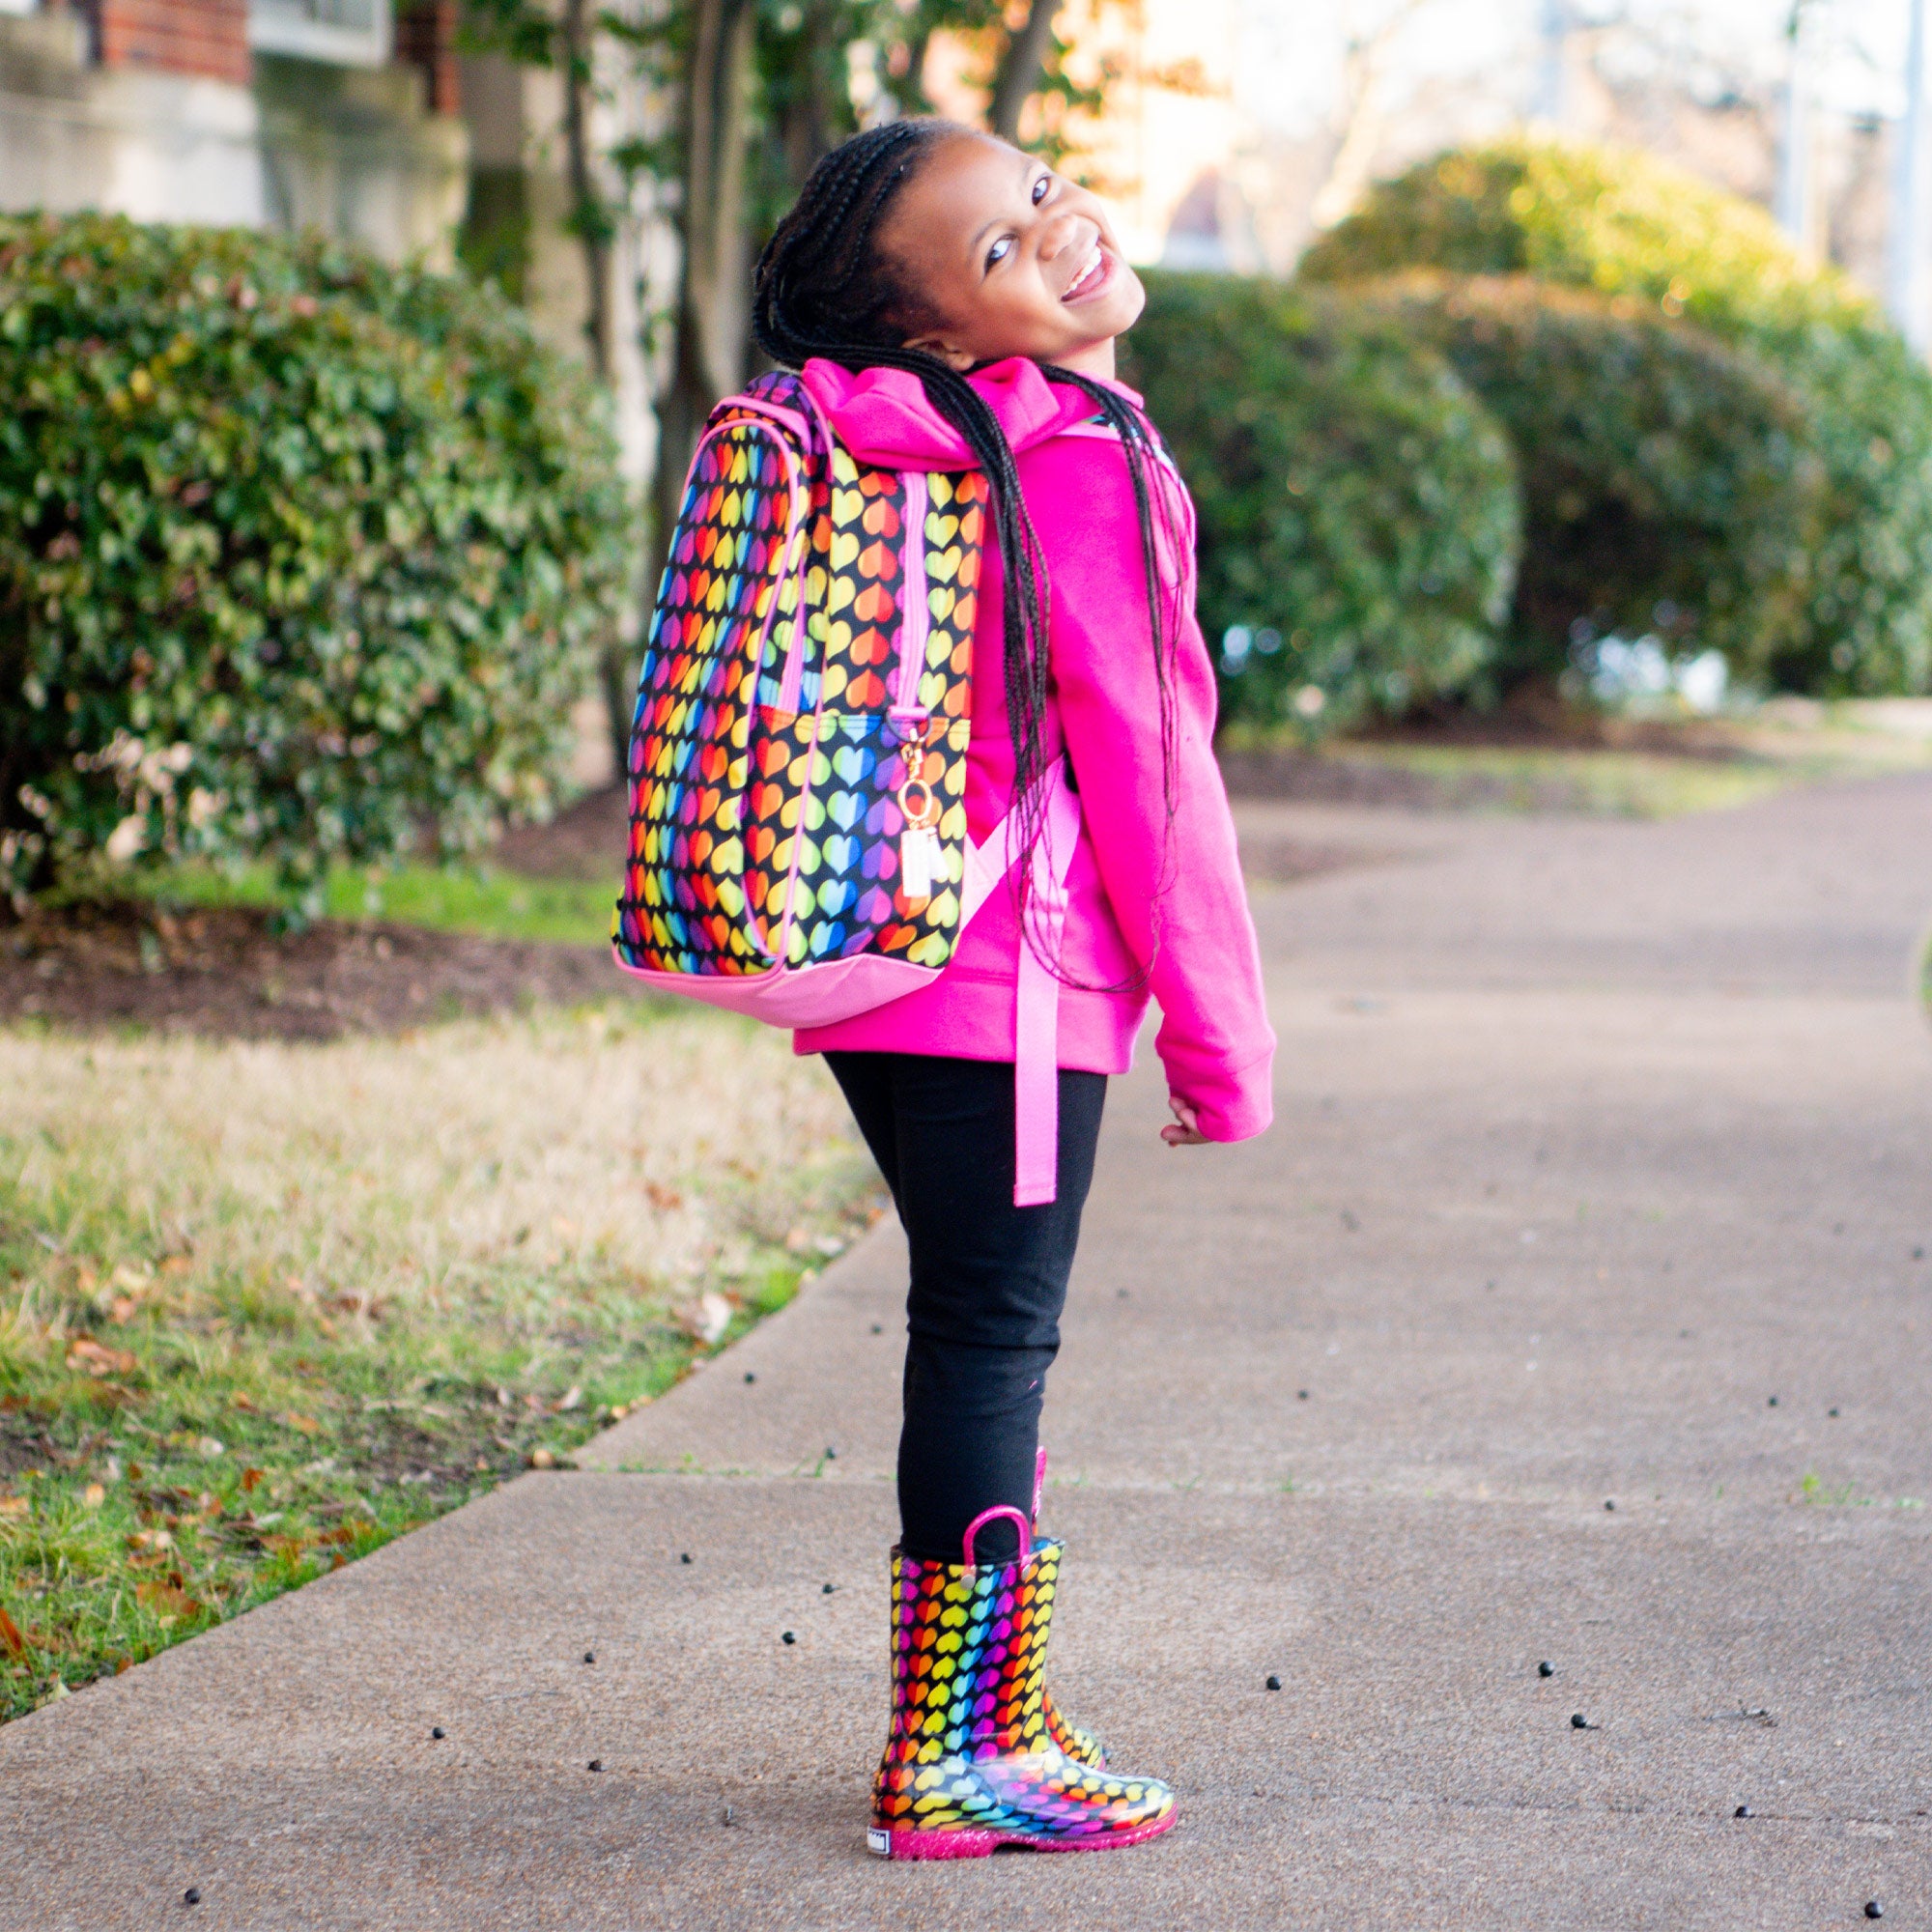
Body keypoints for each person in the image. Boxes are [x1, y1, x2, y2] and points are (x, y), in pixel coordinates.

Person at [752, 118, 1274, 1860]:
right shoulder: (1075, 457)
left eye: (1039, 189)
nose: (1054, 231)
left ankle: (998, 1702)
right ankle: (950, 1755)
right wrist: (1219, 1036)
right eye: (995, 249)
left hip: (881, 965)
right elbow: (1150, 768)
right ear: (942, 339)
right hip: (1016, 985)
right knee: (990, 1343)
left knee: (982, 1329)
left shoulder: (905, 438)